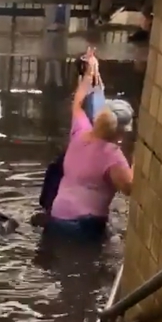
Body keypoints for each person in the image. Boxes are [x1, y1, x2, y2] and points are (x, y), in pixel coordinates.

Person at [45, 56, 133, 240]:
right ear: (122, 131)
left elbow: (77, 102)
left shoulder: (80, 131)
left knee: (57, 260)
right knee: (85, 264)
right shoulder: (113, 156)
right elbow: (130, 188)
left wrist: (90, 72)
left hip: (57, 214)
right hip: (85, 224)